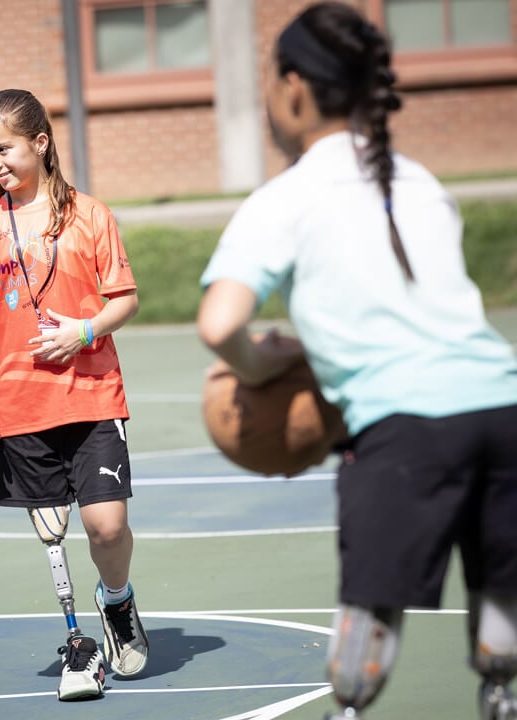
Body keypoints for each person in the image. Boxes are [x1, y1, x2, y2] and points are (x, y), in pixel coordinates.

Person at [194, 4, 517, 719]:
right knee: (501, 630)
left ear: (294, 89)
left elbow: (220, 323)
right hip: (503, 411)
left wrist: (259, 366)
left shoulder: (289, 196)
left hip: (408, 430)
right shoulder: (422, 182)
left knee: (367, 634)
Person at [0, 88, 148, 701]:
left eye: (3, 149)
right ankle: (76, 639)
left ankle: (116, 602)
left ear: (40, 143)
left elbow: (125, 300)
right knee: (54, 534)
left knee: (107, 526)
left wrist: (83, 331)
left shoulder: (90, 216)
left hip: (93, 395)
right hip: (22, 406)